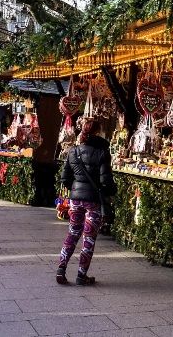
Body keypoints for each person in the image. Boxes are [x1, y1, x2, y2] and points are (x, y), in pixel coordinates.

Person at [57, 117, 116, 285]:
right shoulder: (102, 152)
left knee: (72, 234)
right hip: (94, 202)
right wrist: (111, 191)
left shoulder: (73, 151)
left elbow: (65, 178)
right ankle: (81, 275)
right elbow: (106, 181)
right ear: (97, 133)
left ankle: (61, 268)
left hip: (75, 201)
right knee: (88, 239)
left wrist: (75, 190)